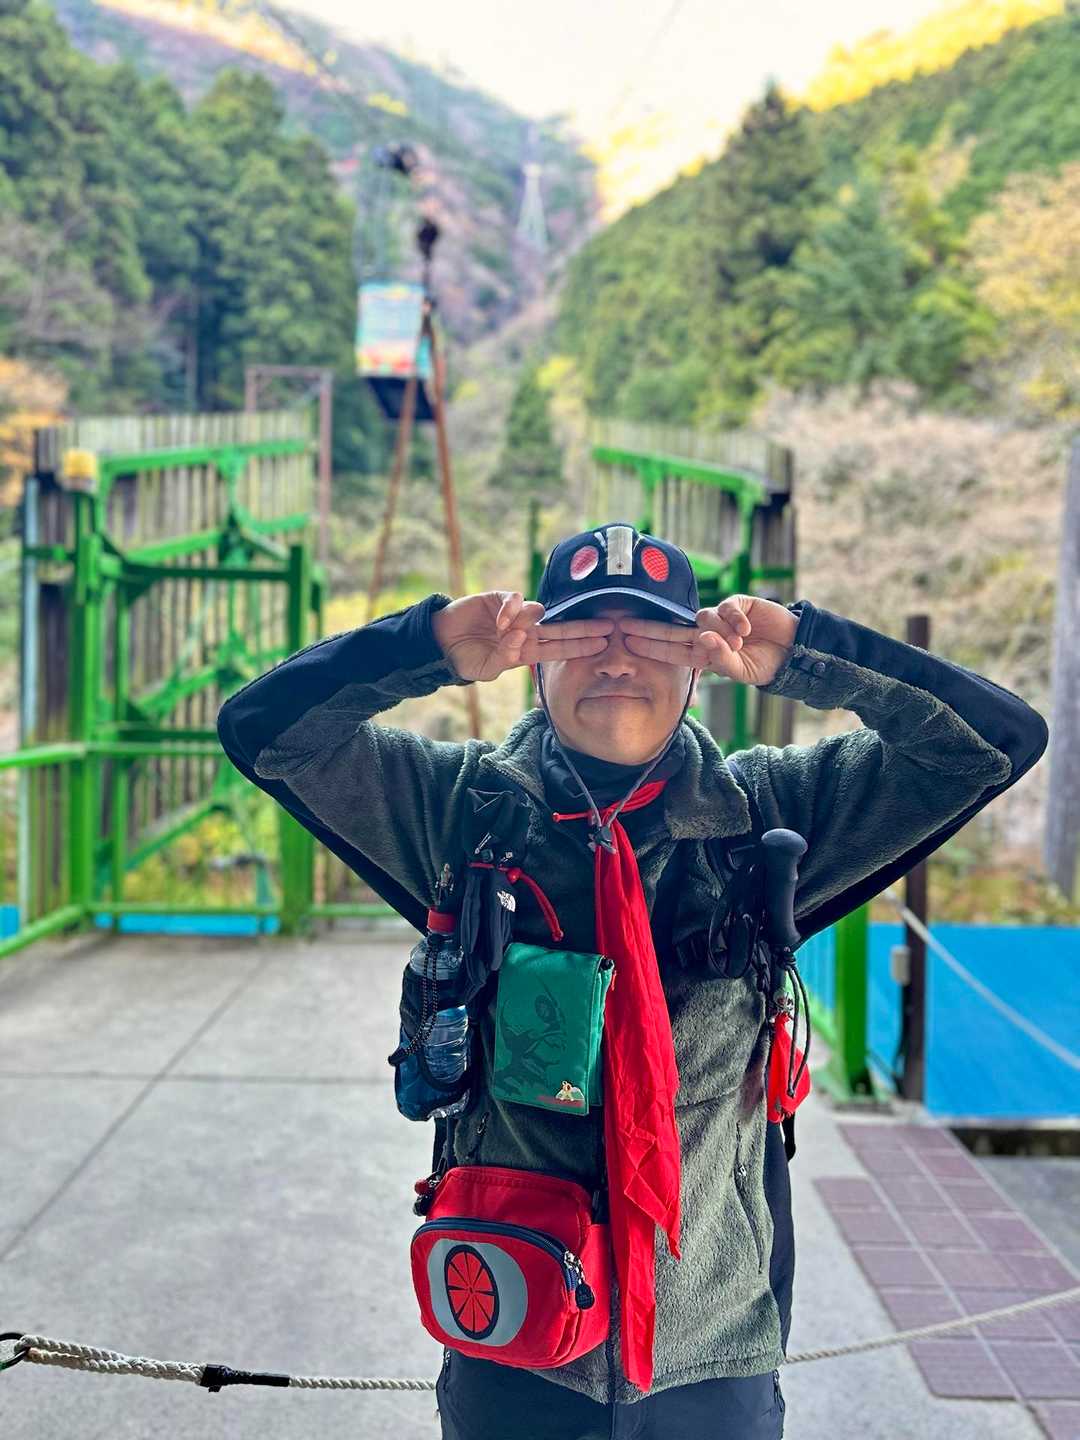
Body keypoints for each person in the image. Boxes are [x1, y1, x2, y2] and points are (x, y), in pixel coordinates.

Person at [217, 521, 1047, 1440]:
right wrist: (426, 647)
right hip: (512, 1332)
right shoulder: (461, 813)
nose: (615, 658)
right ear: (537, 658)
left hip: (711, 1358)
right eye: (583, 634)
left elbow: (991, 743)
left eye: (648, 635)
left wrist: (809, 656)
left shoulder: (765, 819)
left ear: (695, 664)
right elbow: (267, 731)